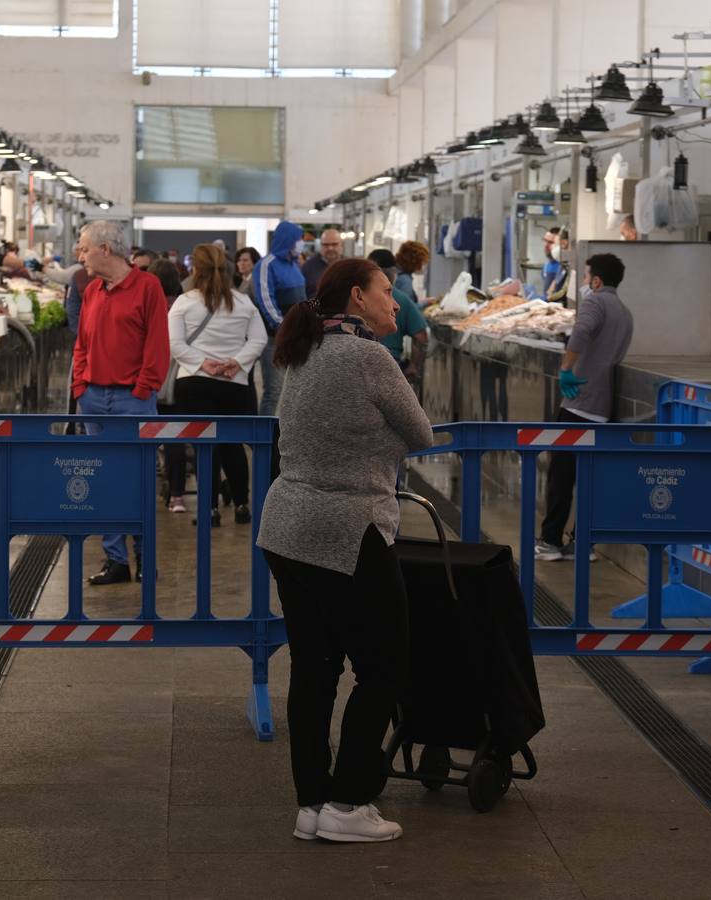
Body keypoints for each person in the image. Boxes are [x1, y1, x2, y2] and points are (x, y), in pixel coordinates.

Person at [257, 257, 433, 844]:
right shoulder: (369, 356)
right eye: (387, 292)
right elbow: (421, 434)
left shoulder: (303, 350)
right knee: (386, 665)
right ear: (357, 297)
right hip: (346, 529)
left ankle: (311, 803)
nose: (394, 302)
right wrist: (383, 441)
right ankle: (350, 800)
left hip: (286, 527)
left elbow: (323, 432)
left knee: (315, 667)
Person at [72, 221, 171, 586]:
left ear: (105, 250)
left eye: (84, 248)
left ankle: (145, 557)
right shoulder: (93, 291)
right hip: (94, 398)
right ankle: (116, 560)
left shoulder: (148, 287)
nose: (79, 255)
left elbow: (158, 345)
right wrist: (80, 386)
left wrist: (144, 389)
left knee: (138, 480)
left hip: (133, 399)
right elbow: (81, 343)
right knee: (102, 480)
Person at [535, 253, 634, 562]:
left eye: (586, 276)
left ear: (596, 280)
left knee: (561, 476)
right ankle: (582, 542)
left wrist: (567, 368)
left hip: (578, 402)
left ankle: (551, 540)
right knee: (589, 477)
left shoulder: (594, 303)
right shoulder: (625, 312)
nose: (583, 283)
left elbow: (580, 331)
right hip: (602, 406)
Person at [165, 243, 268, 523]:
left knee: (203, 445)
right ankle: (241, 504)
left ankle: (209, 508)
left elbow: (174, 344)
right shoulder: (242, 303)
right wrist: (237, 362)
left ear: (195, 269)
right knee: (232, 444)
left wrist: (202, 363)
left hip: (194, 383)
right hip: (233, 382)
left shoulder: (184, 303)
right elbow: (260, 339)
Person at [248, 220, 307, 416]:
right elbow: (266, 299)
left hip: (297, 337)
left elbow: (302, 299)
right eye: (299, 240)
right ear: (288, 239)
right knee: (274, 391)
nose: (301, 243)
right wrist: (282, 326)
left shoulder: (294, 265)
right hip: (276, 338)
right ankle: (267, 440)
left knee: (293, 390)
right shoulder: (266, 265)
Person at [368, 249, 428, 384]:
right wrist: (413, 367)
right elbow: (421, 336)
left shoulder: (358, 297)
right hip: (390, 367)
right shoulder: (402, 299)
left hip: (360, 366)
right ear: (393, 272)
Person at [301, 228, 344, 299]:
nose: (330, 248)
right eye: (326, 245)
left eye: (334, 244)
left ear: (342, 245)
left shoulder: (349, 266)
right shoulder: (308, 267)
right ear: (320, 246)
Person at [394, 240, 430, 308]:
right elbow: (407, 308)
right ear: (415, 261)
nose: (423, 265)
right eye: (422, 262)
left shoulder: (396, 272)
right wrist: (425, 303)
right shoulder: (405, 279)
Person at [546, 230, 573, 303]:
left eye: (555, 243)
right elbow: (555, 283)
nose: (552, 247)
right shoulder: (563, 264)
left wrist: (549, 298)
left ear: (564, 242)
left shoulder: (572, 264)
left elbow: (564, 291)